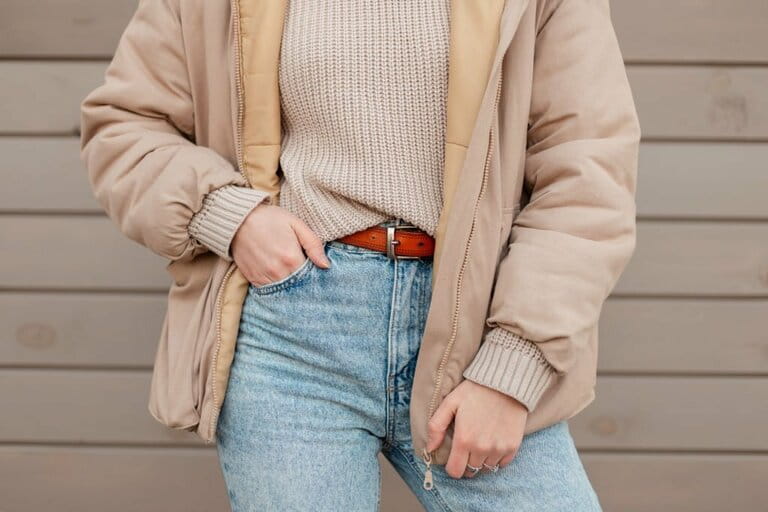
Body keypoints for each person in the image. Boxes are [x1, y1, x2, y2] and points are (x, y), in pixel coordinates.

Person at [80, 0, 640, 510]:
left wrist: (513, 365)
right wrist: (232, 215)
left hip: (477, 334)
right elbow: (125, 126)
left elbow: (587, 178)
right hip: (293, 335)